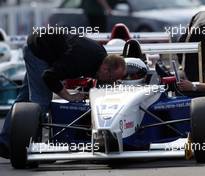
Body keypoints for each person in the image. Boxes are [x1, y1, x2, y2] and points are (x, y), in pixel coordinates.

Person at [0, 31, 126, 159]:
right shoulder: (81, 60)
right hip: (38, 50)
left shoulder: (102, 58)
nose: (111, 82)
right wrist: (69, 96)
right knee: (41, 102)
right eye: (112, 79)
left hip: (48, 49)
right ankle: (29, 149)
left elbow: (99, 82)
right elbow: (49, 76)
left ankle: (4, 143)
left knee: (24, 98)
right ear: (105, 69)